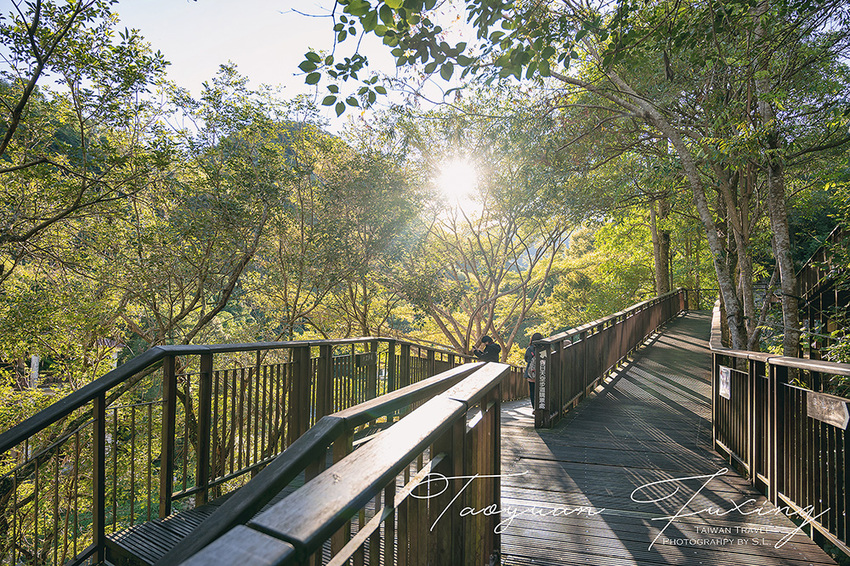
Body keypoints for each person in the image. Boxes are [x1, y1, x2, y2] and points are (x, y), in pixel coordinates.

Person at [525, 333, 543, 408]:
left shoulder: (529, 349)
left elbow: (526, 359)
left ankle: (534, 407)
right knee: (541, 391)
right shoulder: (544, 348)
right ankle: (541, 406)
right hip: (542, 371)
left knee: (532, 391)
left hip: (531, 372)